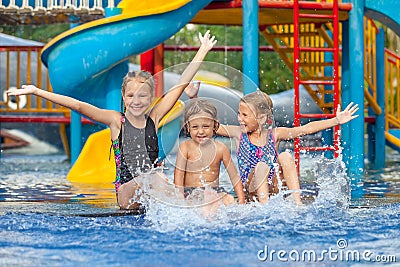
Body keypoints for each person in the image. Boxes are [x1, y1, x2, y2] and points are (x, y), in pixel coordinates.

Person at [6, 30, 217, 210]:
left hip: (151, 191)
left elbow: (180, 84)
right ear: (124, 97)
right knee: (156, 177)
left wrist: (203, 50)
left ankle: (191, 209)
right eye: (131, 96)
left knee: (186, 188)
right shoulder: (117, 121)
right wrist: (36, 91)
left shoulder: (155, 117)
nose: (137, 101)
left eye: (143, 96)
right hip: (126, 193)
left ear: (151, 97)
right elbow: (78, 106)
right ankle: (180, 206)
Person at [184, 87, 359, 205]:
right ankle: (265, 208)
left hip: (273, 186)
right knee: (261, 165)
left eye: (244, 115)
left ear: (261, 118)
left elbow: (306, 129)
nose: (239, 118)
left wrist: (336, 120)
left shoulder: (275, 135)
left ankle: (296, 203)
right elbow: (209, 124)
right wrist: (194, 98)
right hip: (251, 188)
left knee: (285, 156)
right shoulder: (239, 134)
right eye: (239, 113)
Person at [174, 99, 246, 206]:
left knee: (229, 199)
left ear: (215, 125)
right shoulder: (185, 147)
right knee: (205, 200)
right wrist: (180, 199)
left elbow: (234, 176)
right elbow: (178, 175)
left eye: (206, 126)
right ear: (188, 127)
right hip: (191, 192)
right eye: (195, 127)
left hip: (214, 190)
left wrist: (241, 200)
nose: (201, 131)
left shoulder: (220, 148)